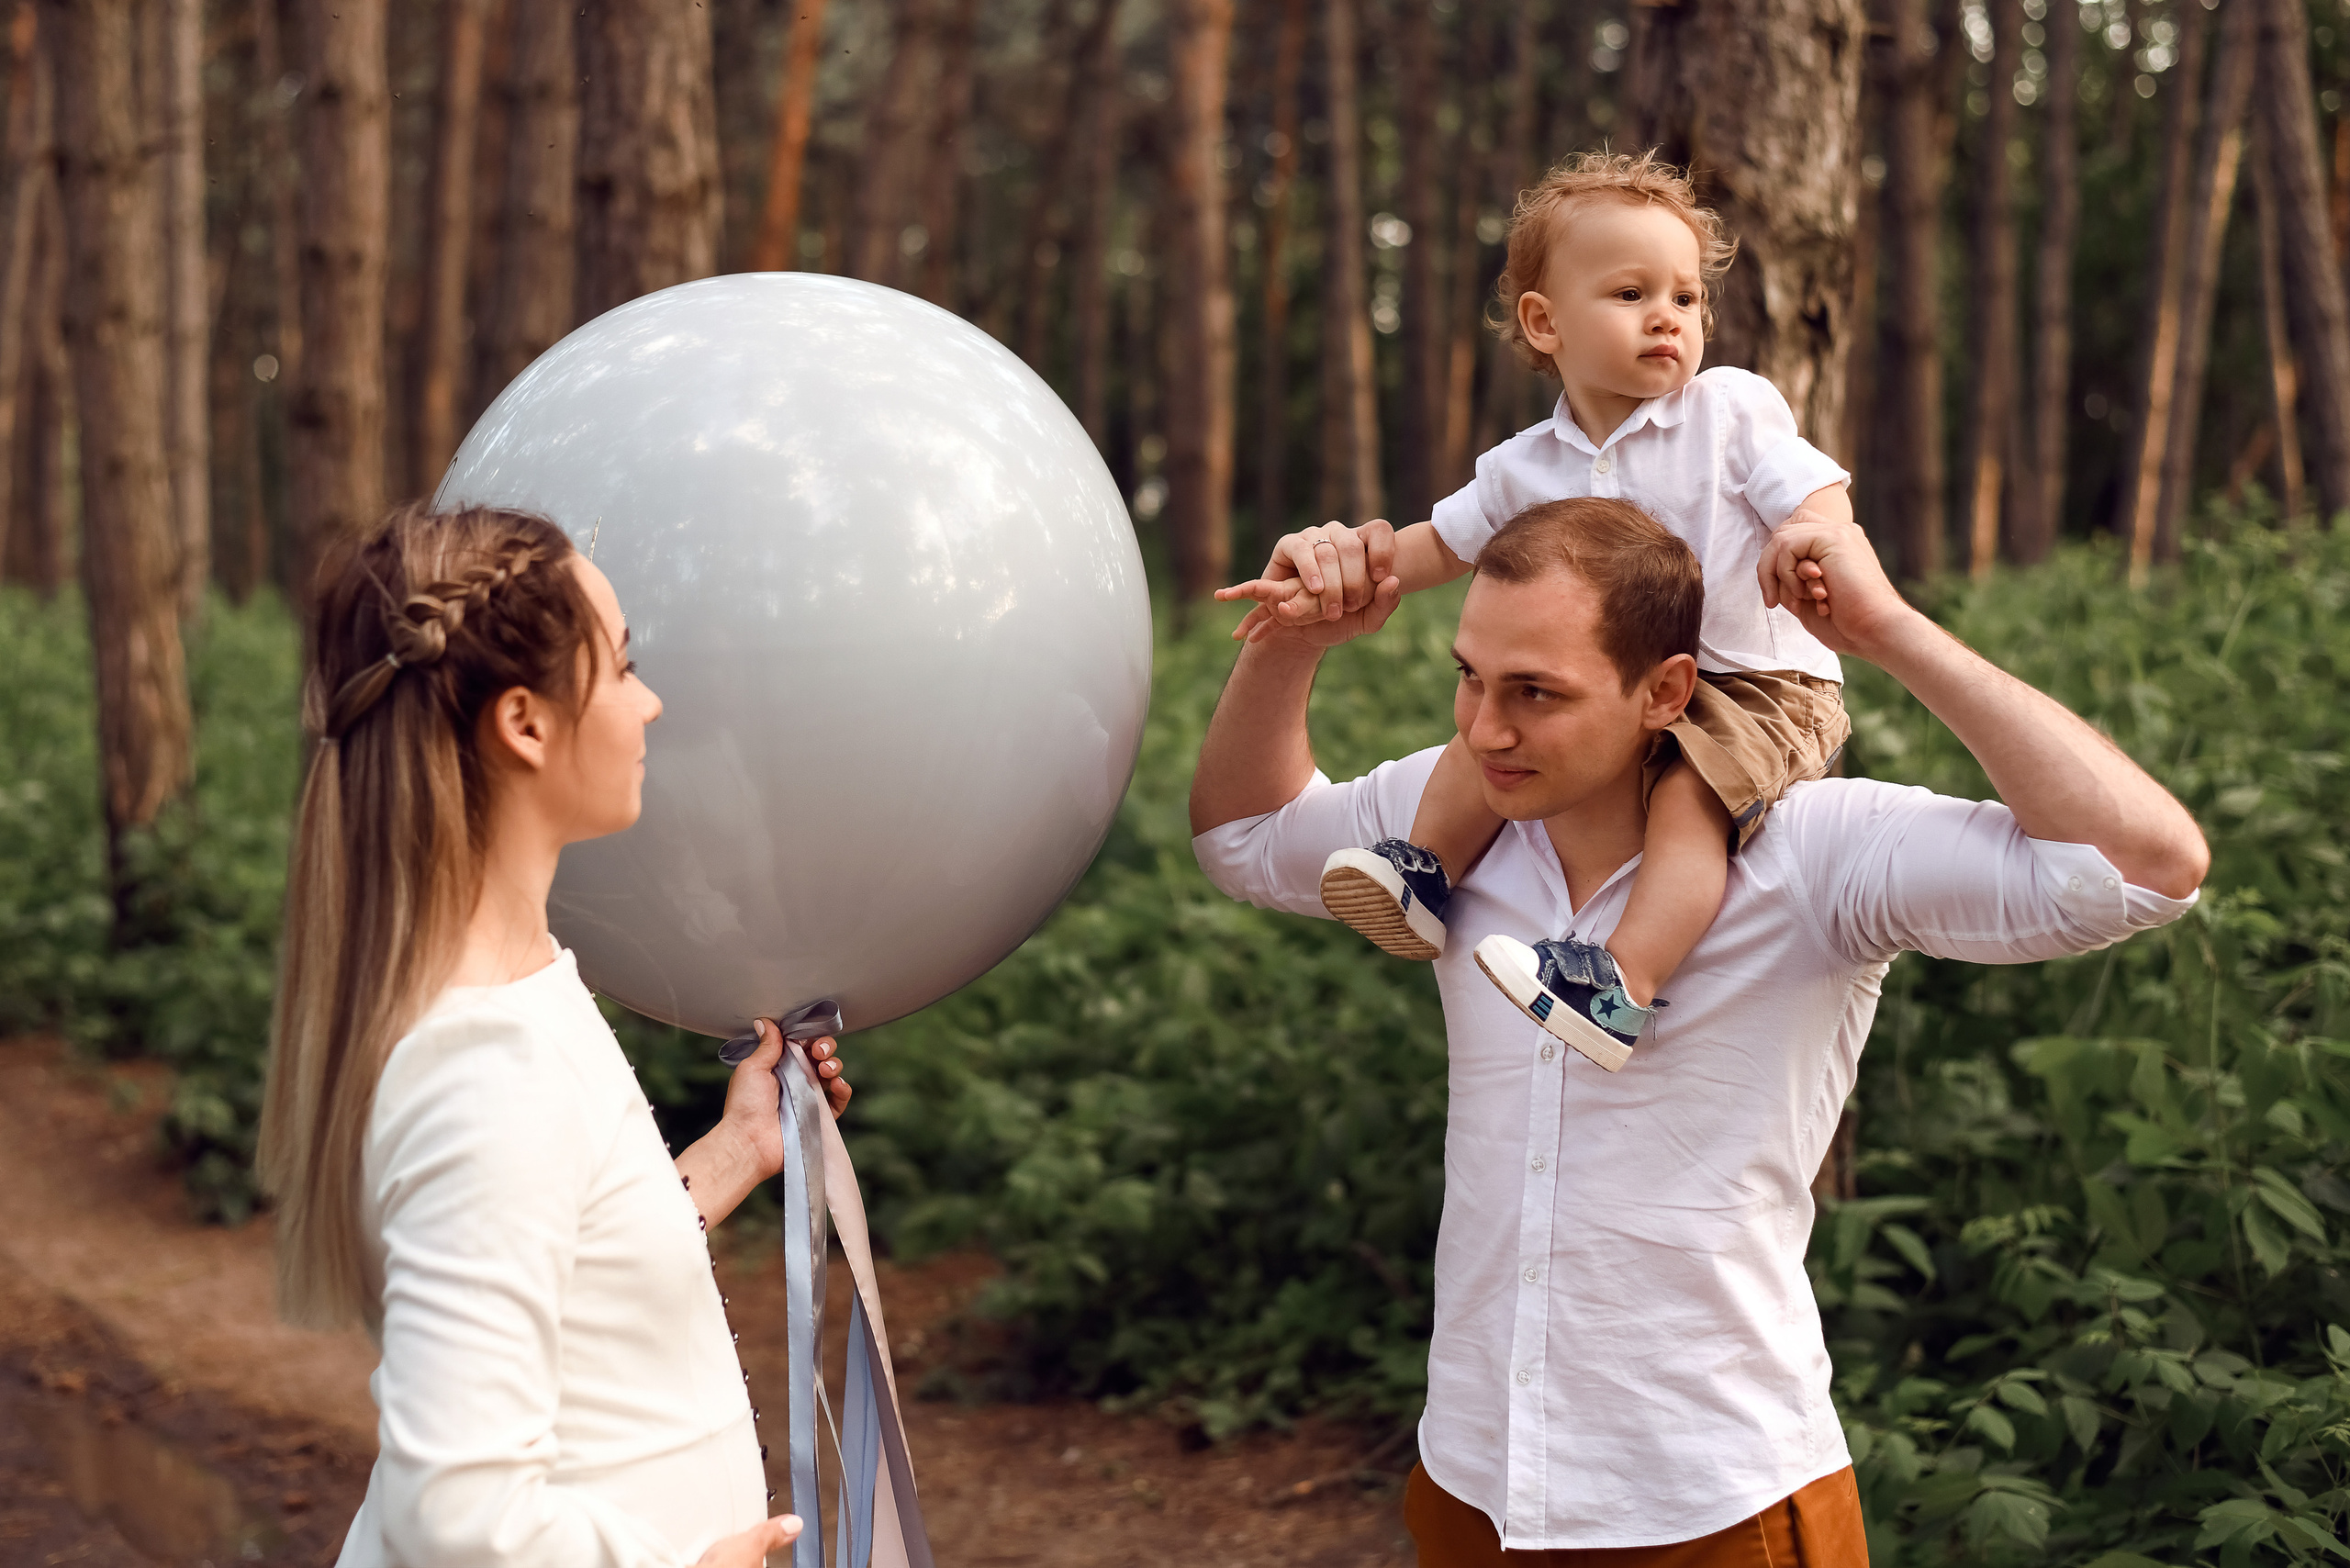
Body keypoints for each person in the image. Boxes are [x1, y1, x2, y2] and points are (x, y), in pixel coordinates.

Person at [1190, 498, 2208, 1564]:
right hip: (1472, 1482)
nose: (1485, 728)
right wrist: (1292, 642)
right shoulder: (1453, 825)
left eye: (1535, 692)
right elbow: (1244, 839)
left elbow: (2143, 869)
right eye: (1470, 677)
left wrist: (1890, 632)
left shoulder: (1812, 854)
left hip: (1714, 1504)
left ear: (1665, 689)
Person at [257, 502, 853, 1568]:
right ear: (525, 723)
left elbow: (566, 1262)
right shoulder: (481, 1064)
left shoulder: (515, 986)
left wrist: (734, 1153)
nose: (651, 702)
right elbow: (455, 1512)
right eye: (622, 667)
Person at [1218, 150, 1853, 1075]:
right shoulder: (1523, 466)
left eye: (1686, 298)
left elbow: (1816, 490)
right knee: (1488, 735)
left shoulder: (1729, 410)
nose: (1668, 318)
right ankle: (1421, 874)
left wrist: (1809, 536)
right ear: (1543, 321)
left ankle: (1615, 985)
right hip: (1609, 696)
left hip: (1754, 682)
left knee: (1688, 801)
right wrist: (1340, 566)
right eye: (1632, 293)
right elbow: (1437, 544)